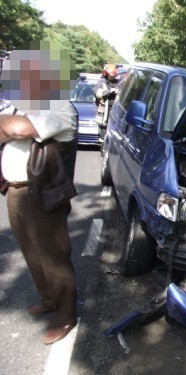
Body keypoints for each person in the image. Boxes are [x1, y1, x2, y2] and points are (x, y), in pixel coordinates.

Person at [0, 40, 79, 345]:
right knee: (32, 253)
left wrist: (9, 126)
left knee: (54, 258)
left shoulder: (59, 108)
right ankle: (49, 300)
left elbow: (16, 130)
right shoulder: (25, 107)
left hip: (45, 196)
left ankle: (66, 315)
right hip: (17, 193)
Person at [93, 63, 120, 143]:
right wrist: (109, 91)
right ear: (106, 74)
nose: (113, 77)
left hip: (115, 111)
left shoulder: (117, 83)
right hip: (104, 112)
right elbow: (97, 93)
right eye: (111, 75)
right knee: (103, 132)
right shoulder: (101, 82)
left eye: (114, 75)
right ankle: (102, 148)